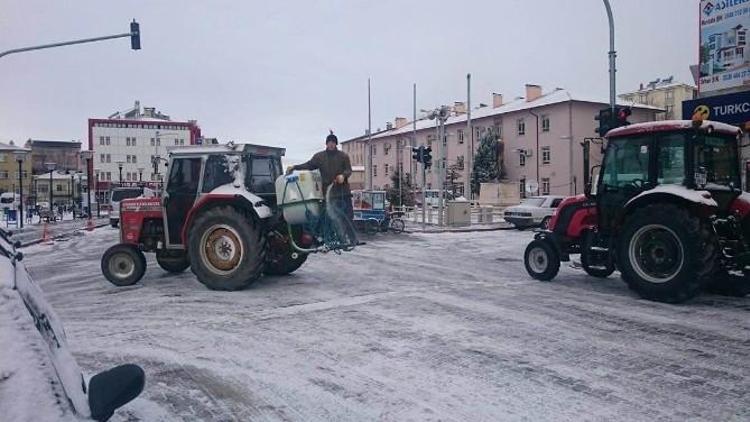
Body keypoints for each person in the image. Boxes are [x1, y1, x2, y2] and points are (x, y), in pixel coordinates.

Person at [287, 131, 353, 221]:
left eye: (333, 142)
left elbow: (348, 170)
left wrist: (343, 176)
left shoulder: (343, 156)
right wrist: (295, 167)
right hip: (328, 194)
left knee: (347, 218)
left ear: (336, 144)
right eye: (329, 142)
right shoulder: (319, 157)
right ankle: (330, 234)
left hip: (343, 193)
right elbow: (309, 165)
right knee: (329, 219)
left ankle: (348, 234)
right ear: (326, 143)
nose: (331, 144)